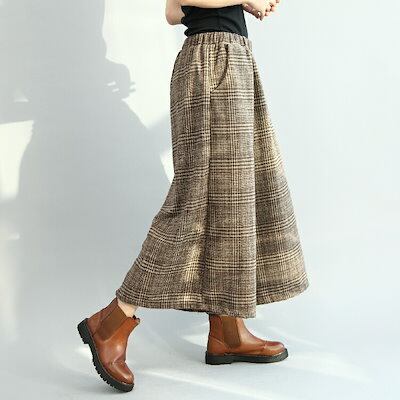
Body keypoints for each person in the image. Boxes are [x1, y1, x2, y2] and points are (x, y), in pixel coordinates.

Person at [77, 0, 309, 392]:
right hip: (214, 59)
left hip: (227, 56)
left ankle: (228, 331)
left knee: (233, 197)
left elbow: (173, 11)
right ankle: (110, 322)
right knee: (194, 202)